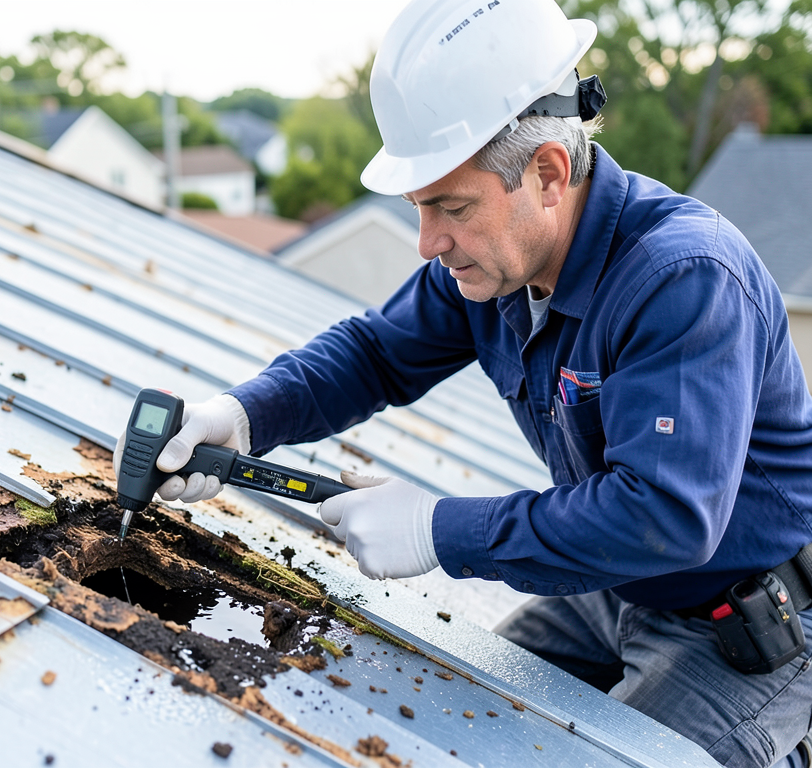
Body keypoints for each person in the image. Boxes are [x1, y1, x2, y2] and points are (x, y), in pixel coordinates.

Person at [116, 1, 812, 765]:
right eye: (420, 209)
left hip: (745, 617)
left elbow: (666, 515)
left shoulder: (682, 278)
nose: (429, 243)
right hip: (618, 587)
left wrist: (436, 530)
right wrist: (242, 417)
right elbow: (376, 353)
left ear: (547, 173)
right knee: (454, 722)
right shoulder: (494, 263)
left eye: (451, 207)